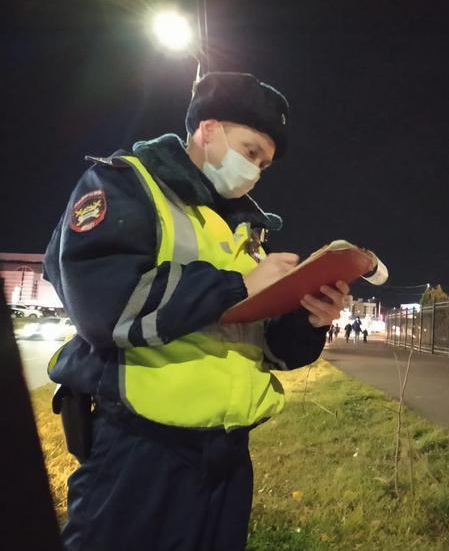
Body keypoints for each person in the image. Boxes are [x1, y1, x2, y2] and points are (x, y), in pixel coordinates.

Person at [43, 72, 348, 551]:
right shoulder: (124, 183)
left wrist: (307, 318)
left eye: (265, 165)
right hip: (140, 454)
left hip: (227, 458)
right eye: (251, 152)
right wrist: (240, 284)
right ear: (209, 130)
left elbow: (259, 345)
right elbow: (104, 304)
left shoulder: (242, 228)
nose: (256, 171)